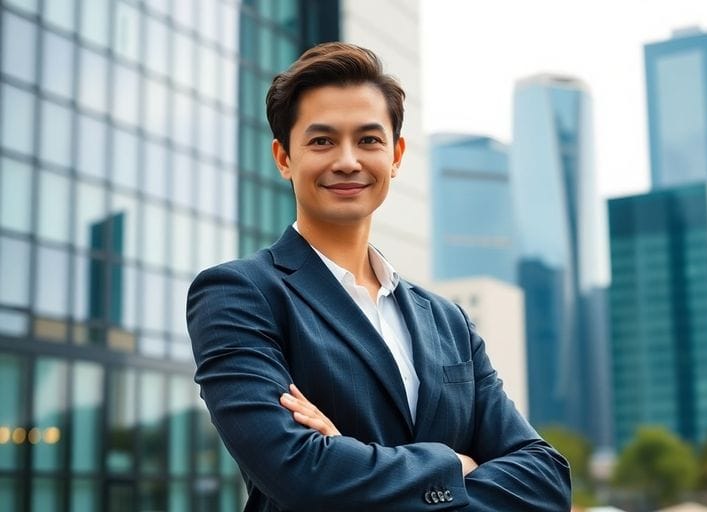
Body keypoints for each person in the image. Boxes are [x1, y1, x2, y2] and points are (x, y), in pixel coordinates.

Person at [186, 42, 571, 511]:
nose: (348, 160)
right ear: (283, 157)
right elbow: (300, 472)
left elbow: (546, 479)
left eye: (369, 140)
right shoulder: (239, 295)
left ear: (396, 155)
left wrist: (348, 459)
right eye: (322, 141)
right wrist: (455, 464)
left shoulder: (449, 321)